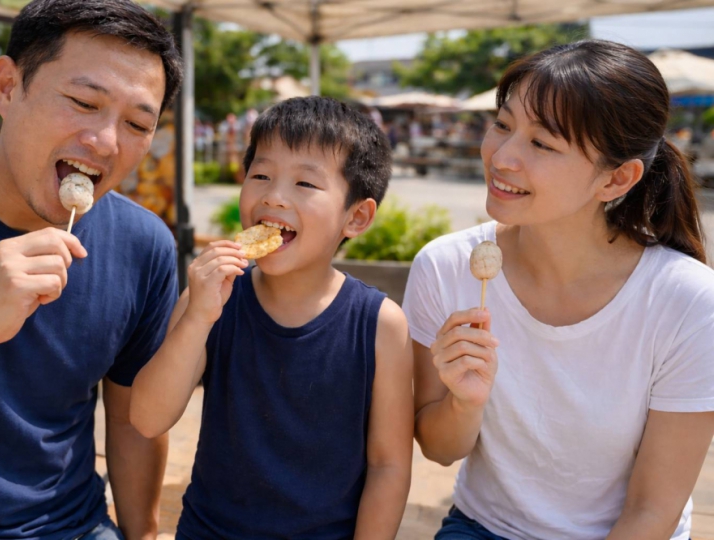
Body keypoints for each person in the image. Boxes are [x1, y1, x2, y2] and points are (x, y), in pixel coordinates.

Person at [403, 40, 714, 540]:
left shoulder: (688, 301)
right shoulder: (446, 267)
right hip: (485, 527)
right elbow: (439, 450)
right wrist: (464, 402)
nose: (502, 157)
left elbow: (651, 512)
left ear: (617, 179)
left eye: (542, 144)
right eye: (502, 125)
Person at [0, 1, 183, 539]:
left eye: (136, 124)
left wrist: (142, 535)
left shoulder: (144, 244)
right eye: (83, 102)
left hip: (71, 527)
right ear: (8, 87)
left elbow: (131, 422)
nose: (106, 142)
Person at [130, 96, 414, 539]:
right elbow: (148, 419)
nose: (274, 196)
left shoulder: (380, 325)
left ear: (356, 217)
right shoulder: (210, 301)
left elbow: (388, 466)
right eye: (260, 175)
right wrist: (197, 318)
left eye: (305, 183)